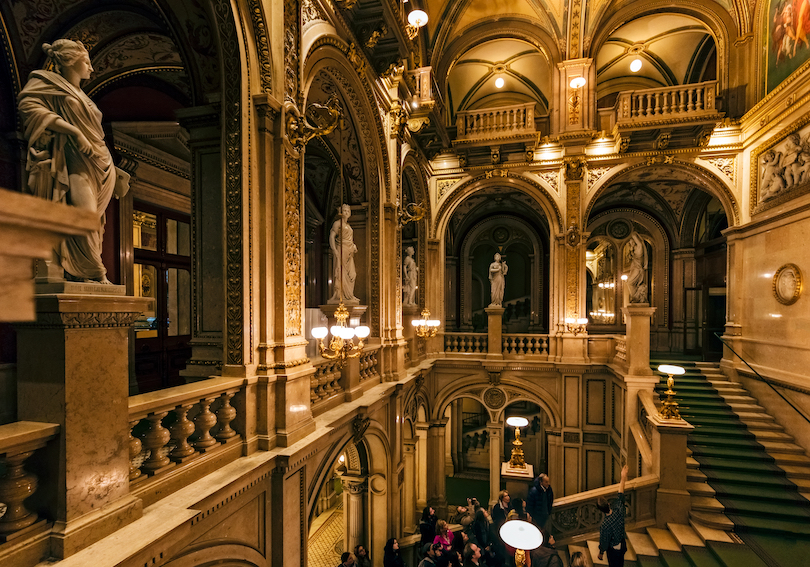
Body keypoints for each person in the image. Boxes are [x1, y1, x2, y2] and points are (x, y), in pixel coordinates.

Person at [18, 38, 129, 283]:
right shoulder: (47, 83)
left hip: (100, 161)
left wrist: (114, 168)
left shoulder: (83, 95)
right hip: (73, 158)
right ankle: (95, 273)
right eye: (86, 61)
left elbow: (97, 135)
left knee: (95, 222)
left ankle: (87, 276)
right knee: (85, 217)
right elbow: (28, 105)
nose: (91, 67)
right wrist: (74, 132)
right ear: (70, 61)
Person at [597, 464, 629, 566]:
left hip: (613, 550)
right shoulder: (619, 509)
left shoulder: (605, 525)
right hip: (622, 544)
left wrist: (601, 553)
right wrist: (623, 477)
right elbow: (620, 494)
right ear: (609, 504)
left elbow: (604, 541)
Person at [329, 203, 359, 302]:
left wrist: (353, 245)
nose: (346, 213)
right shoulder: (337, 223)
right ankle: (340, 295)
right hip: (341, 249)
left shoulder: (348, 225)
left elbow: (349, 239)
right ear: (340, 212)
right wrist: (334, 249)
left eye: (348, 211)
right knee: (341, 272)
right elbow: (332, 237)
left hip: (350, 251)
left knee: (352, 274)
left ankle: (349, 295)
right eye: (344, 211)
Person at [624, 233, 648, 304]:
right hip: (634, 268)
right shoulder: (633, 251)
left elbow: (640, 243)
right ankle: (635, 297)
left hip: (638, 268)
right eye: (630, 243)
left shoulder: (639, 248)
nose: (630, 243)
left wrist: (633, 234)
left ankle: (635, 297)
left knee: (630, 282)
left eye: (631, 242)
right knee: (630, 282)